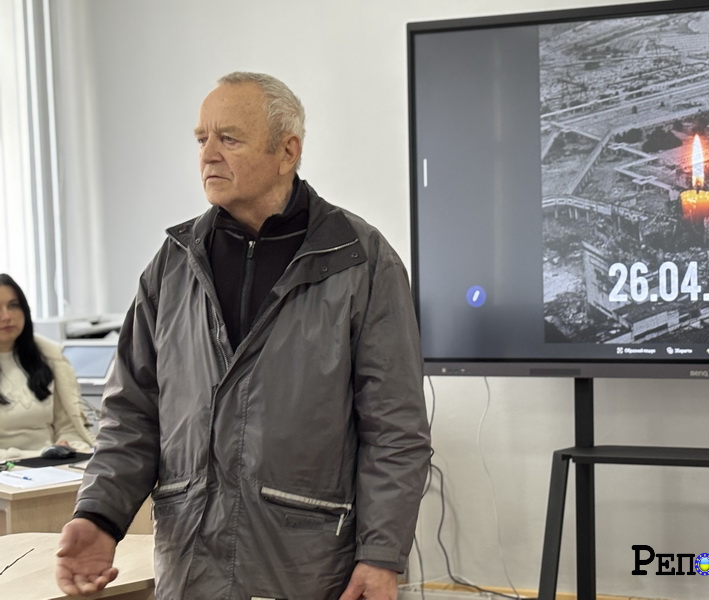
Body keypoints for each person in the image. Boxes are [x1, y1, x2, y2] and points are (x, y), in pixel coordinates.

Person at [56, 71, 431, 600]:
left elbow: (395, 429)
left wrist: (380, 556)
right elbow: (131, 414)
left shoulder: (360, 261)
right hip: (190, 565)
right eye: (201, 139)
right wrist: (100, 515)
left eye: (228, 139)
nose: (208, 155)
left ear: (287, 151)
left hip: (307, 569)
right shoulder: (172, 265)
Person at [0, 273, 94, 461]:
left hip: (51, 466)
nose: (6, 316)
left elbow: (69, 427)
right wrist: (37, 455)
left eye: (13, 305)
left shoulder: (51, 359)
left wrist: (68, 446)